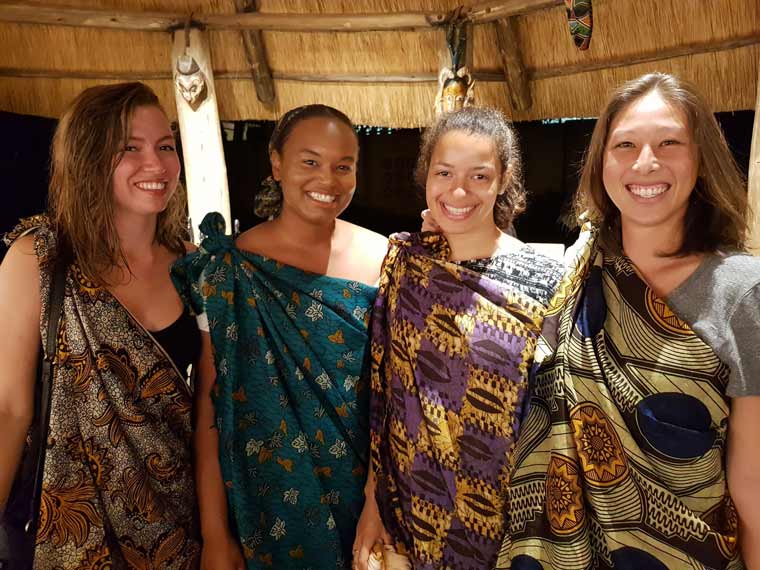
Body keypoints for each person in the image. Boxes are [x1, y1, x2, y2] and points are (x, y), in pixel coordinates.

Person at [498, 72, 760, 569]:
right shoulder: (577, 272)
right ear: (600, 164)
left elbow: (753, 483)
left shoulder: (743, 292)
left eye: (669, 142)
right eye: (625, 145)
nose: (645, 162)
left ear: (701, 159)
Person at [171, 104, 388, 569]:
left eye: (342, 166)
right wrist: (214, 535)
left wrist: (381, 502)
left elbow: (398, 399)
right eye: (310, 161)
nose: (327, 180)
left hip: (369, 504)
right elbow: (212, 404)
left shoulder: (386, 258)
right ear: (276, 163)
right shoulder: (229, 269)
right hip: (267, 508)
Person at [0, 83, 201, 568]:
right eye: (129, 148)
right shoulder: (40, 258)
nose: (156, 164)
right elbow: (8, 408)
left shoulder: (195, 270)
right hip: (64, 525)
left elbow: (212, 416)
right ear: (88, 159)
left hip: (176, 528)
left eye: (165, 146)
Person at [356, 107, 564, 570]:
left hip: (511, 520)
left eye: (479, 175)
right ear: (425, 174)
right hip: (409, 513)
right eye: (444, 172)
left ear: (504, 178)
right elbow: (386, 399)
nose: (458, 191)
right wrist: (373, 501)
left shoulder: (544, 279)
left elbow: (555, 411)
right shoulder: (406, 264)